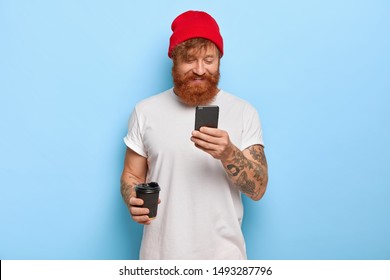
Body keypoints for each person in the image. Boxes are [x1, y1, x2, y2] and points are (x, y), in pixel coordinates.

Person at [120, 10, 268, 260]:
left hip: (224, 260)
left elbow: (259, 189)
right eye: (189, 60)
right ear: (174, 60)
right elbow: (132, 174)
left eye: (208, 60)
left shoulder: (244, 112)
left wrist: (229, 153)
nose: (200, 70)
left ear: (219, 59)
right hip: (160, 258)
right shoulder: (145, 111)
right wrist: (132, 197)